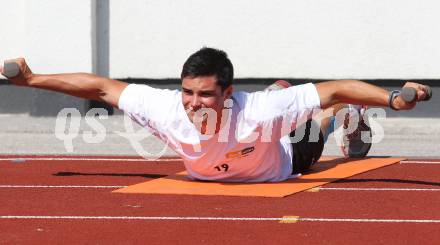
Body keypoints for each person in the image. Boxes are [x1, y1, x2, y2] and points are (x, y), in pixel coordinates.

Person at [0, 47, 430, 182]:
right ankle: (288, 90)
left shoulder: (258, 113)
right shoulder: (166, 106)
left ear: (229, 93)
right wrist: (32, 79)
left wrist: (393, 100)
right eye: (188, 92)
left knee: (318, 118)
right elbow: (100, 86)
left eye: (205, 95)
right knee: (288, 103)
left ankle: (346, 116)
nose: (193, 103)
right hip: (234, 148)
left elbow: (334, 85)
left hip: (281, 159)